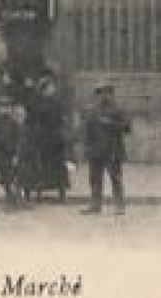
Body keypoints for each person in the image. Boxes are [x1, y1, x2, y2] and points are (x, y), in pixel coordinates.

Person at [80, 83, 132, 215]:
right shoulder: (92, 111)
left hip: (113, 149)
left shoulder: (119, 110)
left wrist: (111, 124)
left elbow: (127, 128)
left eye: (108, 93)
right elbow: (87, 131)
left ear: (112, 95)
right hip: (96, 150)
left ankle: (120, 206)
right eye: (101, 93)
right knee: (95, 179)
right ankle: (95, 205)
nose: (104, 96)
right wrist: (86, 148)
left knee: (115, 178)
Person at [26, 73, 70, 203]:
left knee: (58, 167)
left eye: (53, 87)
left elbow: (62, 118)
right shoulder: (34, 103)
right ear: (43, 89)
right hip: (40, 138)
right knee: (39, 166)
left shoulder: (57, 103)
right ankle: (37, 193)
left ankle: (61, 193)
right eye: (50, 87)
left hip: (55, 138)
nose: (52, 89)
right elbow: (32, 120)